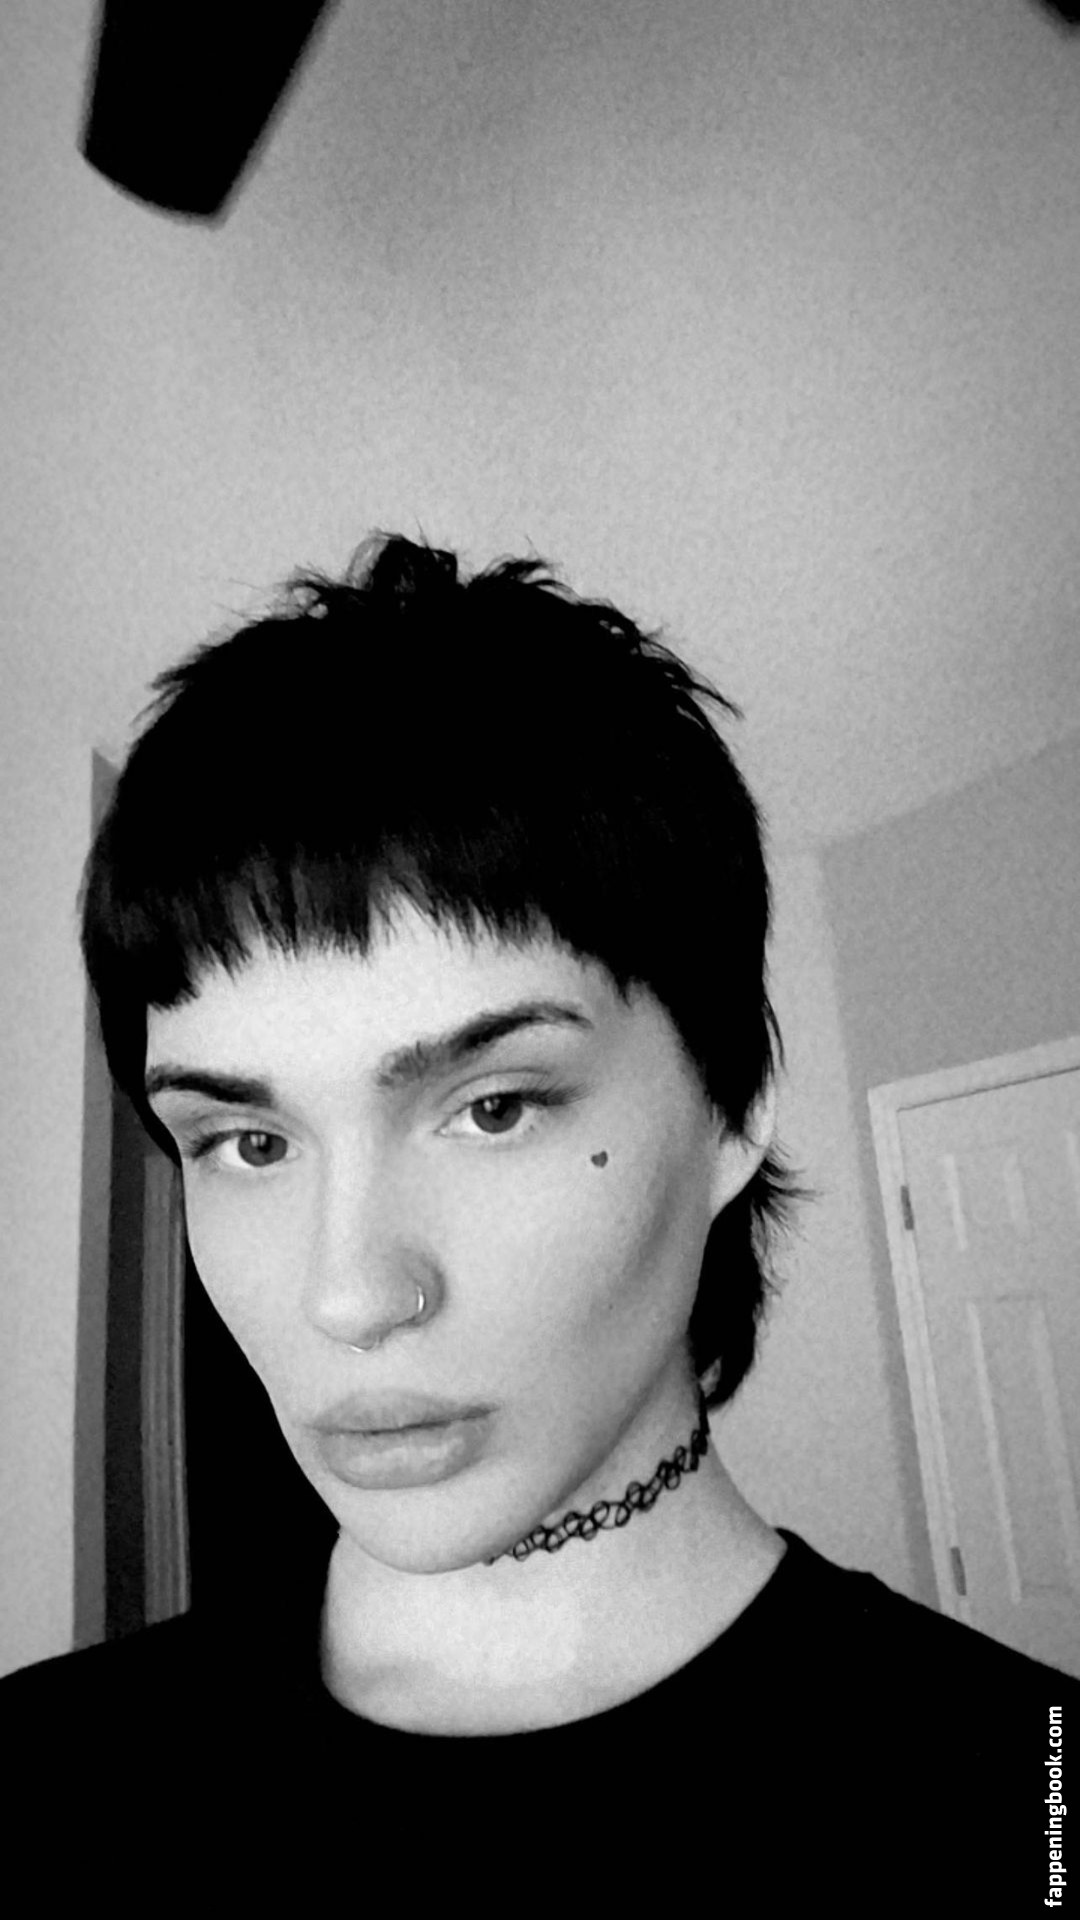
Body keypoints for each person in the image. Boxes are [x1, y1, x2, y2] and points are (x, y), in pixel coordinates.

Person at [3, 533, 1075, 1903]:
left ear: (735, 1105)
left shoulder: (1041, 1797)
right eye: (248, 1142)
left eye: (495, 1108)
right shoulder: (35, 1778)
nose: (350, 1294)